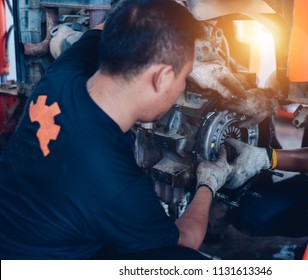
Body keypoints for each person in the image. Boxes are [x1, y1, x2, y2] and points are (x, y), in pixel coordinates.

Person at [0, 0, 233, 260]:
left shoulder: (60, 76)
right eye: (185, 77)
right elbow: (187, 238)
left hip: (13, 232)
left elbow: (103, 28)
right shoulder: (118, 184)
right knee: (187, 262)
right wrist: (209, 182)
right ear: (162, 77)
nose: (182, 87)